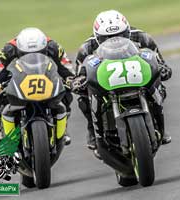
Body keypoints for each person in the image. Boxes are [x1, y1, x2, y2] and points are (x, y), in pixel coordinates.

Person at [74, 10, 172, 150]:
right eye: (107, 37)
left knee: (159, 87)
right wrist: (78, 81)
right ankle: (93, 130)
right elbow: (78, 73)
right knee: (84, 99)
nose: (115, 40)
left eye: (120, 35)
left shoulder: (142, 37)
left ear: (127, 31)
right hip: (107, 80)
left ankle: (158, 123)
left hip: (135, 75)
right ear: (97, 37)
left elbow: (159, 61)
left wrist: (163, 69)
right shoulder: (86, 47)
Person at [0, 27, 74, 144]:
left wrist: (70, 79)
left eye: (39, 53)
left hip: (45, 76)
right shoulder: (7, 50)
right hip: (17, 78)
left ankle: (63, 125)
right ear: (19, 50)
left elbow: (66, 67)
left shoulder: (53, 47)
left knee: (66, 92)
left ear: (45, 48)